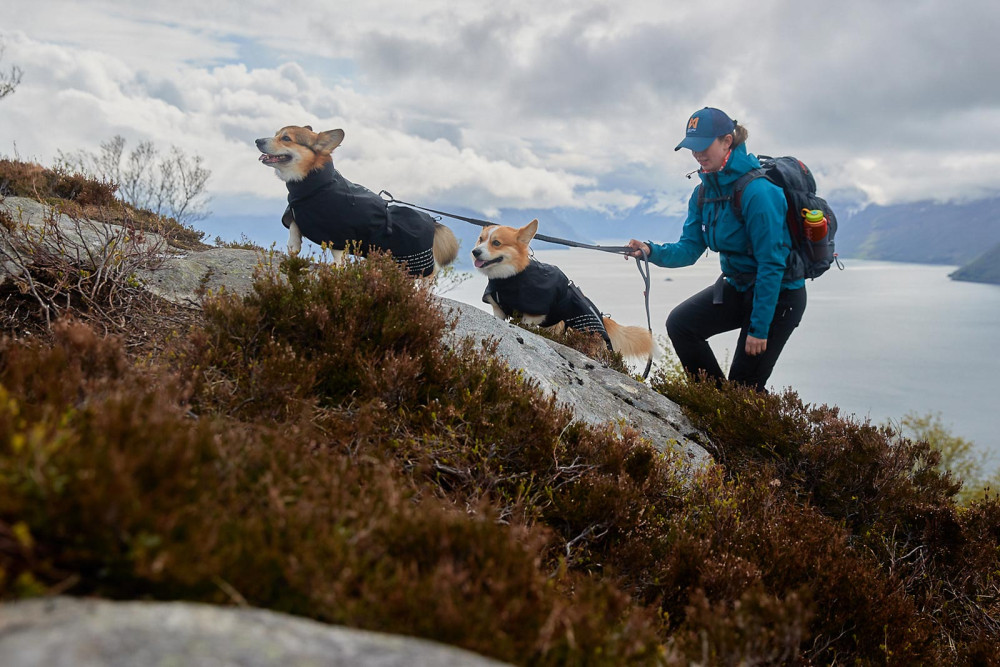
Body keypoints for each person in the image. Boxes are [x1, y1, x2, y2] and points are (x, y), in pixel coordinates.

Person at [627, 107, 806, 391]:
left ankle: (732, 416)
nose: (697, 154)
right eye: (692, 147)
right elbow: (689, 248)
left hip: (779, 296)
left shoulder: (759, 192)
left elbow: (772, 264)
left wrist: (759, 328)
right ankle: (713, 404)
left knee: (744, 390)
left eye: (702, 146)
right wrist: (651, 250)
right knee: (681, 324)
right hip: (738, 286)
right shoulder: (703, 193)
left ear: (726, 141)